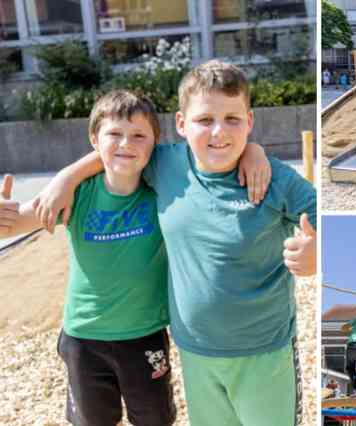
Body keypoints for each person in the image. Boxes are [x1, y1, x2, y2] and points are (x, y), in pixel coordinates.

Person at [32, 60, 317, 426]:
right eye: (204, 120)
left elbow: (325, 219)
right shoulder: (167, 164)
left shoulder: (273, 177)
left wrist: (316, 254)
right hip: (195, 354)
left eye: (232, 119)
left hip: (264, 352)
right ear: (181, 124)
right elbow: (118, 150)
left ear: (250, 121)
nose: (218, 132)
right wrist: (66, 177)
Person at [0, 90, 179, 426]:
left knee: (155, 420)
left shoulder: (162, 189)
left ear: (155, 142)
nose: (127, 143)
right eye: (115, 134)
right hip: (85, 339)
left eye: (139, 135)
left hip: (145, 334)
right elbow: (16, 224)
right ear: (94, 139)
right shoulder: (77, 193)